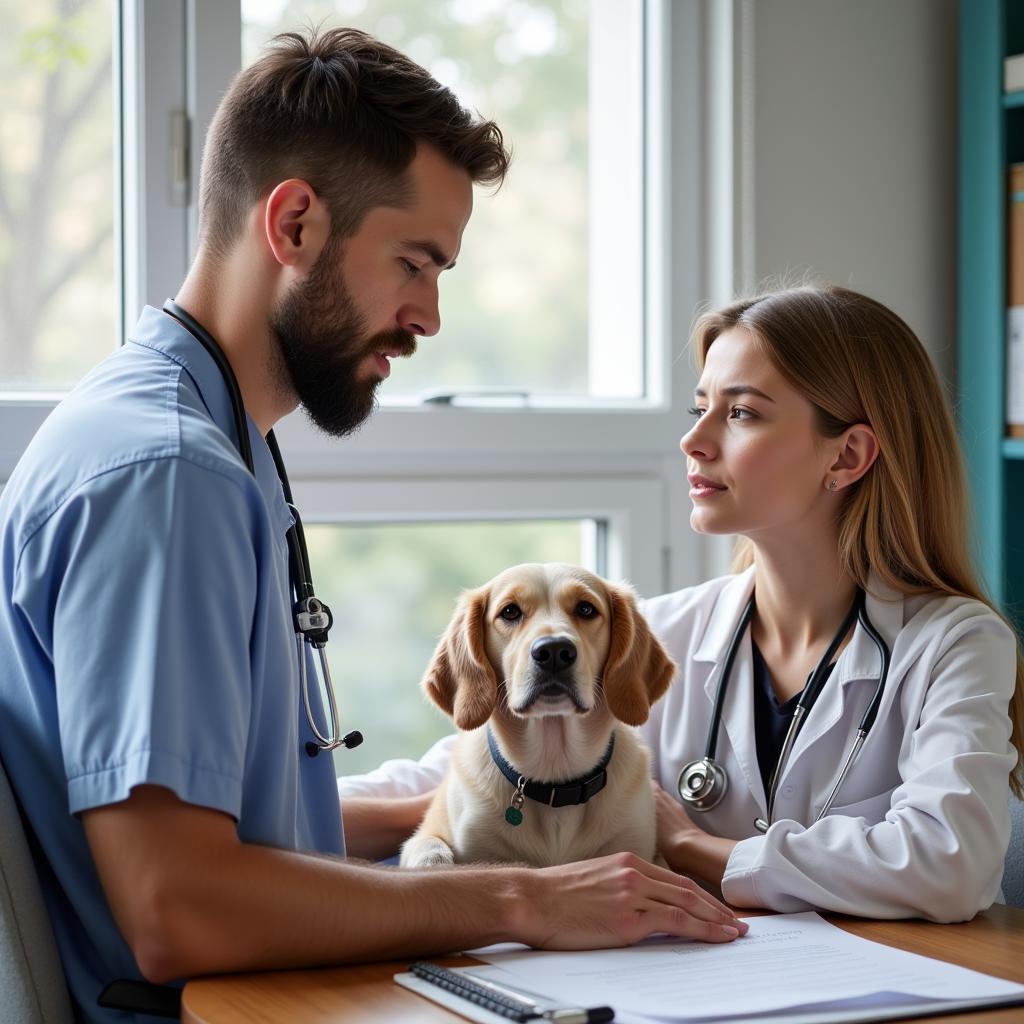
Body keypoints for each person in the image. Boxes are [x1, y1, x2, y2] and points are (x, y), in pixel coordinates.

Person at [0, 27, 746, 1023]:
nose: (429, 315)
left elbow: (229, 824)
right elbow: (178, 904)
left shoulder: (206, 439)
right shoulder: (169, 477)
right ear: (297, 222)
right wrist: (524, 897)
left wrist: (472, 811)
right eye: (415, 262)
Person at [341, 284, 1024, 923]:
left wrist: (700, 849)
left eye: (742, 413)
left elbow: (952, 864)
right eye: (701, 408)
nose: (693, 441)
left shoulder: (954, 644)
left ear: (846, 456)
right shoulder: (656, 636)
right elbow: (448, 773)